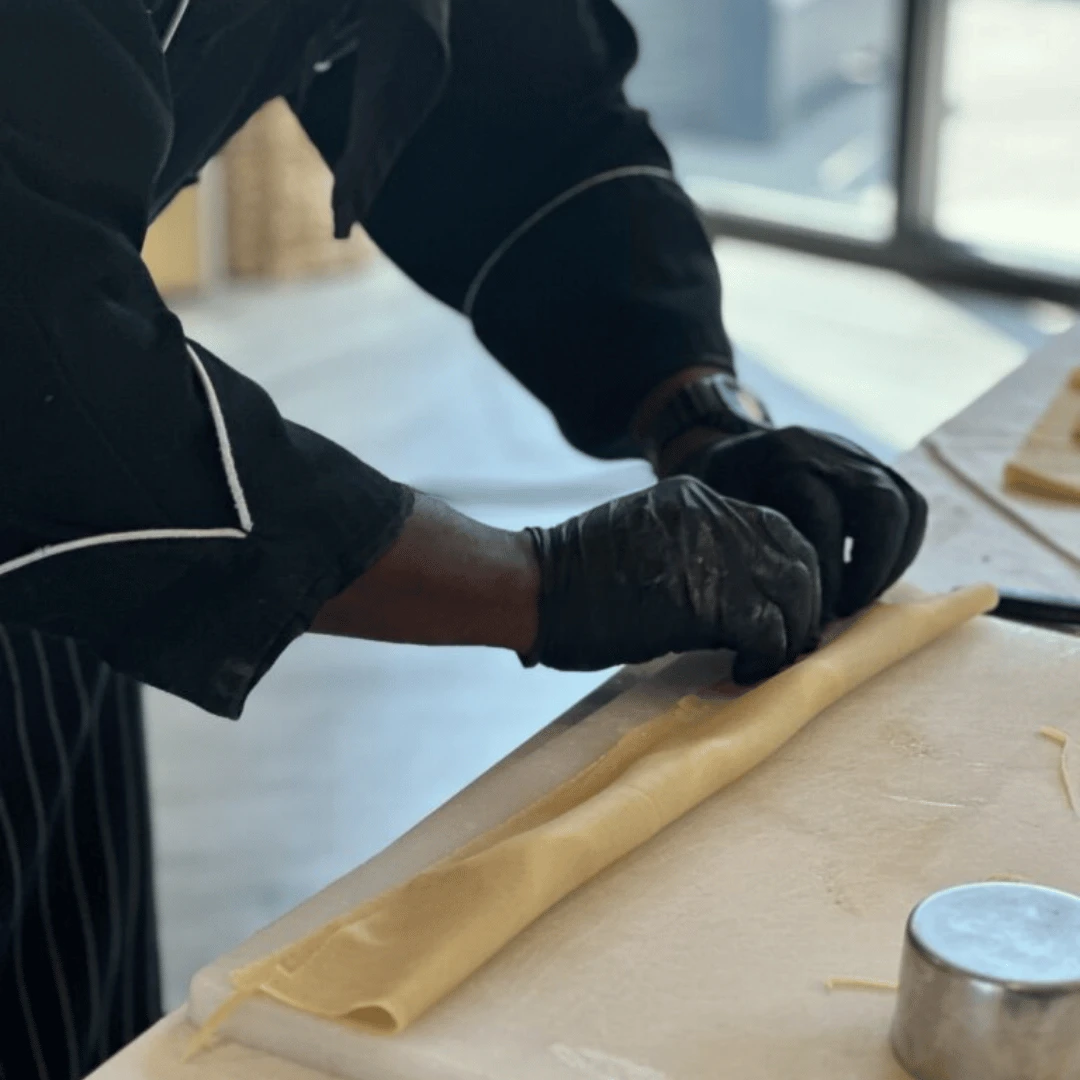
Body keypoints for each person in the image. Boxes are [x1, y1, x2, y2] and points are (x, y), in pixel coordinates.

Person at [0, 0, 927, 1076]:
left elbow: (510, 94)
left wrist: (694, 405)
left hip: (54, 555)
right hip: (49, 434)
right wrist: (541, 585)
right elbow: (30, 347)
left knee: (63, 1018)